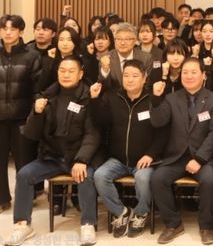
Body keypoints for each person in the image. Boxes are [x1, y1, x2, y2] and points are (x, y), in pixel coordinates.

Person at [4, 55, 101, 246]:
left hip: (78, 156)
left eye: (71, 71)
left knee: (85, 176)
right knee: (24, 174)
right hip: (52, 157)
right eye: (62, 70)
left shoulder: (88, 97)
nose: (66, 74)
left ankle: (88, 224)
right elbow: (31, 134)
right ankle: (22, 225)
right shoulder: (47, 96)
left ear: (80, 74)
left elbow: (93, 133)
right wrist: (37, 113)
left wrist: (82, 160)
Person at [149, 58, 213, 245]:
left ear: (203, 75)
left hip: (204, 158)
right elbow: (157, 122)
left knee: (209, 179)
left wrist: (199, 159)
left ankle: (206, 226)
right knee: (157, 179)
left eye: (193, 72)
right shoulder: (171, 98)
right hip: (177, 156)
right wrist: (156, 98)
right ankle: (173, 224)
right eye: (185, 72)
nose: (189, 76)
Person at [91, 59, 165, 238]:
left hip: (144, 160)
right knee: (99, 175)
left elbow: (163, 132)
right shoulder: (113, 97)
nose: (130, 79)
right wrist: (94, 100)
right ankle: (121, 212)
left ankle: (140, 213)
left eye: (135, 76)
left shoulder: (152, 99)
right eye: (126, 75)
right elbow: (100, 122)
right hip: (117, 159)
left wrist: (151, 154)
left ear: (144, 78)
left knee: (142, 178)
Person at [0, 14, 42, 213]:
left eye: (13, 29)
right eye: (4, 29)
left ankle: (25, 198)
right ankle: (2, 198)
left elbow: (37, 89)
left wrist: (33, 115)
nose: (8, 33)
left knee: (24, 161)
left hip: (22, 116)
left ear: (21, 31)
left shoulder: (31, 56)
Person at [99, 23, 152, 92]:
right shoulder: (105, 58)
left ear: (134, 41)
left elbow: (147, 85)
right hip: (113, 97)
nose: (122, 43)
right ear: (114, 40)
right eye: (119, 39)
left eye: (127, 39)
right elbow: (102, 87)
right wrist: (105, 71)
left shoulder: (145, 58)